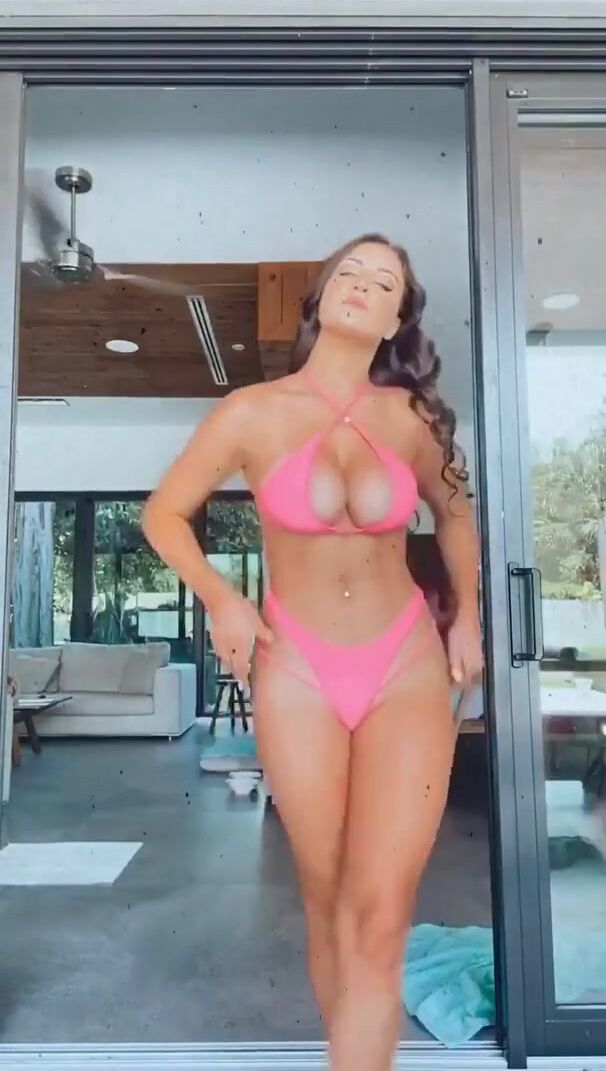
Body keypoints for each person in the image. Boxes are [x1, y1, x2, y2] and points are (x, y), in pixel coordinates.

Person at [142, 234, 482, 1071]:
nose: (362, 286)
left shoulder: (411, 418)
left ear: (396, 318)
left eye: (383, 282)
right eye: (349, 274)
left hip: (404, 662)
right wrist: (221, 595)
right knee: (330, 900)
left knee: (381, 913)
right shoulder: (252, 411)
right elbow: (163, 513)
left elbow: (455, 513)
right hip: (296, 668)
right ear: (322, 297)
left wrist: (469, 616)